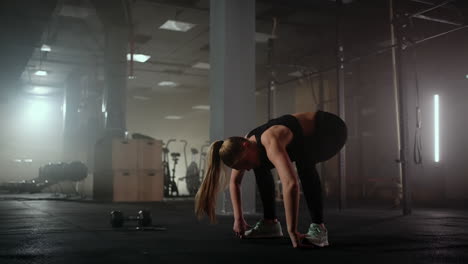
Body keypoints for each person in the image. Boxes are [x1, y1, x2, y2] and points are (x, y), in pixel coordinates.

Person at [194, 111, 347, 248]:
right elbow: (235, 182)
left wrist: (292, 231)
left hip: (330, 128)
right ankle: (270, 223)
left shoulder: (270, 140)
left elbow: (290, 184)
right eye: (242, 167)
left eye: (245, 164)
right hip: (305, 139)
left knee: (304, 162)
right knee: (259, 165)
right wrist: (238, 218)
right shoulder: (242, 147)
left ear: (246, 145)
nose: (246, 169)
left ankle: (319, 229)